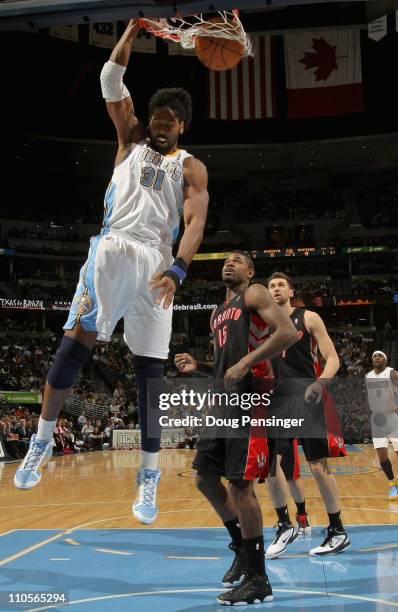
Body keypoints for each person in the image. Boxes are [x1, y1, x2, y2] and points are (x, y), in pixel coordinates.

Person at [14, 20, 209, 527]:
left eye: (169, 120)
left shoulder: (191, 167)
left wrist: (179, 270)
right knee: (76, 346)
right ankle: (40, 443)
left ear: (182, 126)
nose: (160, 124)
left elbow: (194, 222)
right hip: (114, 249)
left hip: (157, 265)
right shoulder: (130, 139)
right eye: (156, 117)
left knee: (151, 378)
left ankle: (148, 481)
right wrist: (133, 27)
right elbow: (109, 78)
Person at [175, 252, 297, 606]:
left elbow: (287, 332)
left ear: (250, 271)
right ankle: (241, 548)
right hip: (222, 404)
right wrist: (199, 366)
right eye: (225, 260)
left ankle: (258, 579)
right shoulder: (217, 313)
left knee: (242, 487)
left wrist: (246, 362)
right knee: (204, 479)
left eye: (238, 260)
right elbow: (224, 367)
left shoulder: (255, 294)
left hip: (252, 401)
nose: (229, 264)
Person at [264, 272, 350, 557]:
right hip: (278, 402)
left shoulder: (308, 317)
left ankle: (337, 530)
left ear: (290, 291)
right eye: (271, 286)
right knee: (269, 467)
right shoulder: (264, 325)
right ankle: (284, 525)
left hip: (308, 396)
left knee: (317, 467)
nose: (275, 289)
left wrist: (320, 382)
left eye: (280, 285)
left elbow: (334, 359)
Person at [365, 350, 398, 500]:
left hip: (392, 416)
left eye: (380, 356)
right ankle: (392, 485)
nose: (377, 358)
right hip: (377, 419)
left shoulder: (392, 373)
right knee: (382, 456)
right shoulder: (368, 376)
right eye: (374, 356)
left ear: (385, 359)